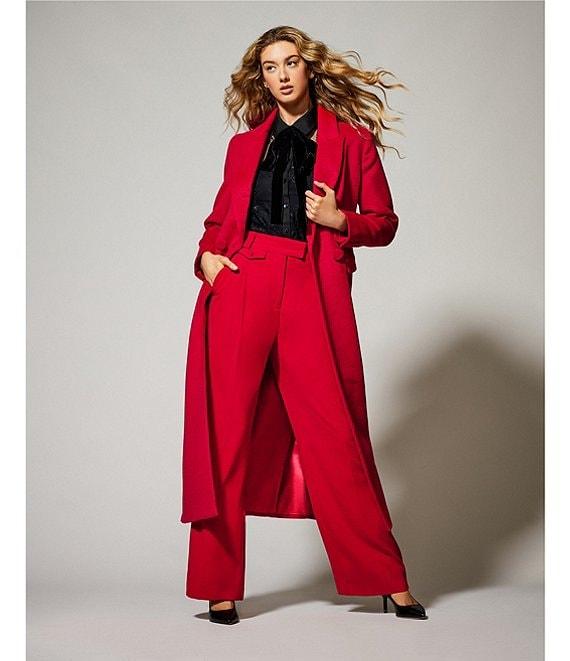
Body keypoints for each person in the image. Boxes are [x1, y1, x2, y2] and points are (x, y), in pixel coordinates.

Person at [181, 25, 427, 625]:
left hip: (313, 290)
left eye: (291, 63)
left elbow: (385, 222)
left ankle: (387, 579)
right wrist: (206, 258)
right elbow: (219, 222)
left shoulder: (352, 141)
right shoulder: (244, 147)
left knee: (335, 435)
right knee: (225, 435)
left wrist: (342, 220)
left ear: (309, 68)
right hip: (244, 282)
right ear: (261, 79)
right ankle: (218, 586)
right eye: (270, 67)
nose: (282, 75)